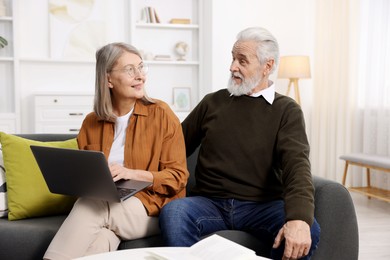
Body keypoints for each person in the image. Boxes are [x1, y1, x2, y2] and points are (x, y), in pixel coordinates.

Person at [159, 27, 320, 260]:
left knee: (310, 230)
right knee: (174, 213)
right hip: (208, 203)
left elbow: (297, 166)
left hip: (261, 207)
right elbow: (174, 147)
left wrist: (300, 218)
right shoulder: (212, 102)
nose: (232, 66)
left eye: (242, 60)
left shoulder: (287, 110)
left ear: (267, 66)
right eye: (233, 58)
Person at [44, 42, 189, 260]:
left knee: (93, 204)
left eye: (141, 67)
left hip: (151, 208)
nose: (139, 76)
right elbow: (84, 179)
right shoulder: (91, 122)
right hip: (107, 207)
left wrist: (132, 174)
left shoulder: (162, 114)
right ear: (108, 79)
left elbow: (178, 178)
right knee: (102, 236)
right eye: (130, 70)